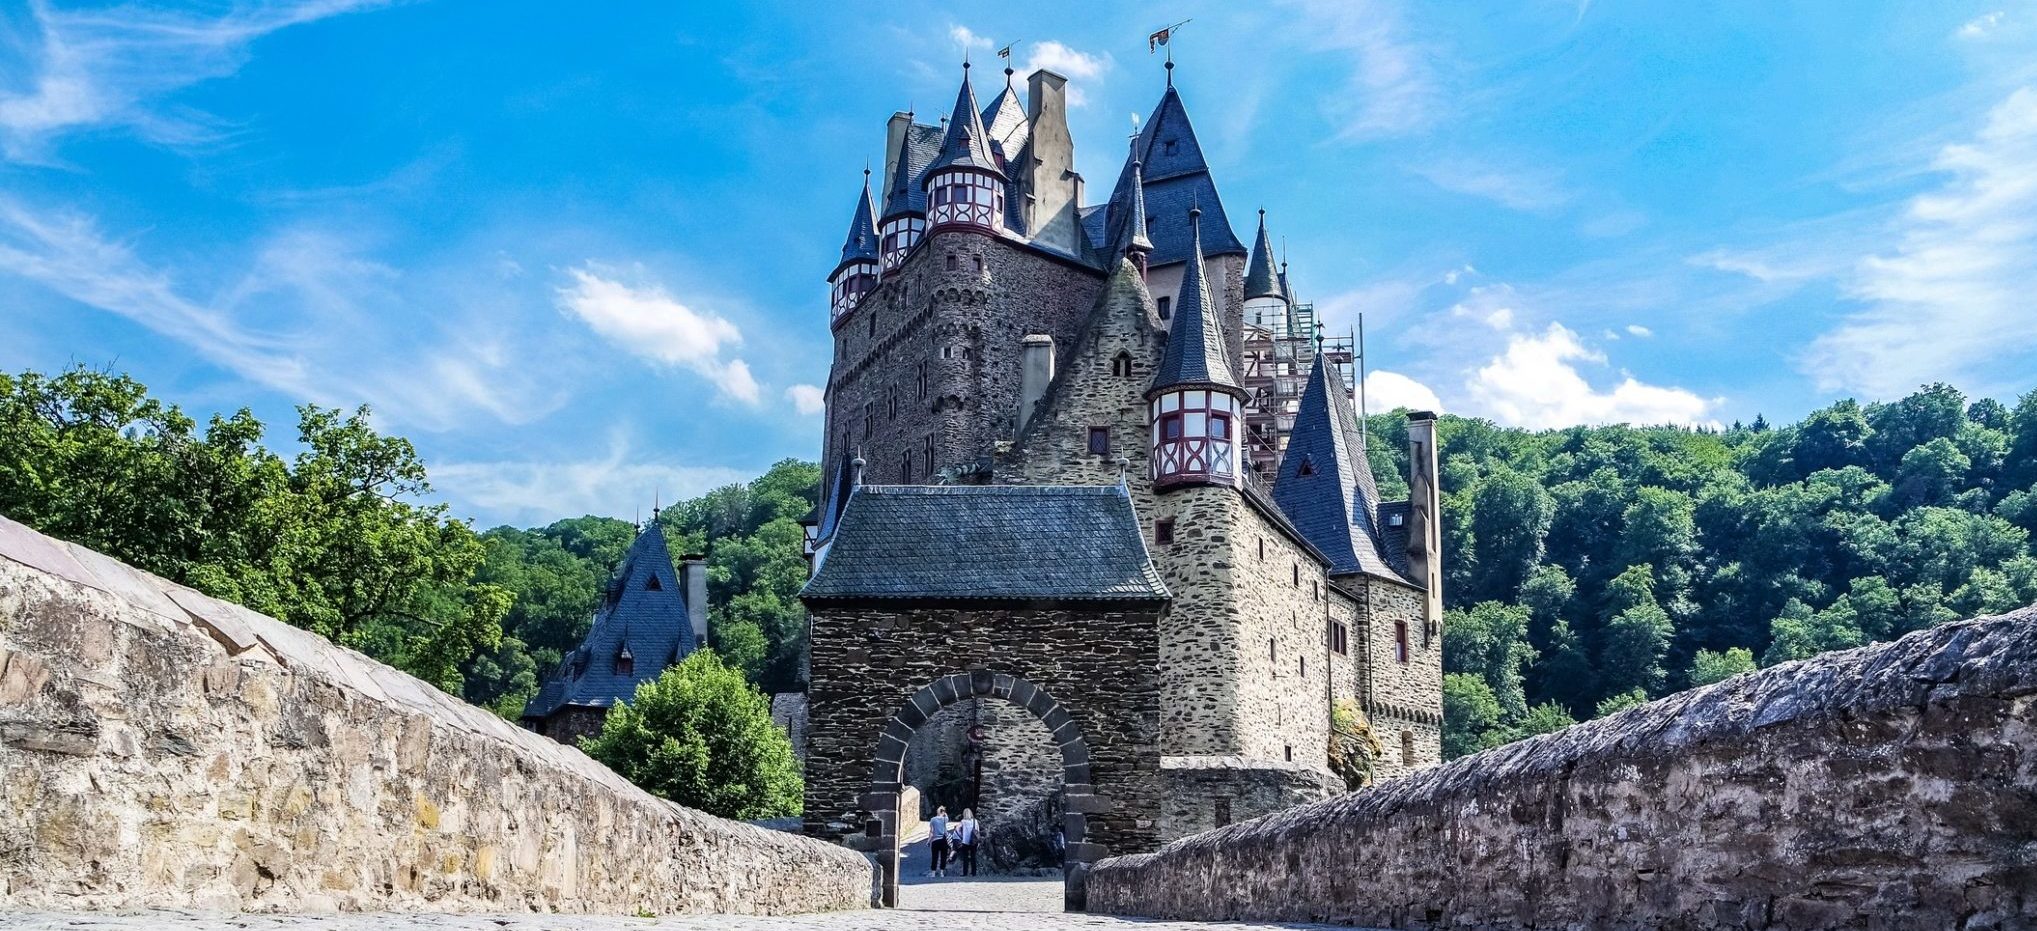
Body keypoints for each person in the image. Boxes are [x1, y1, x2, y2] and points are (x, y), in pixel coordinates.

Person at [955, 808, 981, 877]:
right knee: (973, 857)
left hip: (965, 841)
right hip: (974, 841)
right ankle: (974, 873)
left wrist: (961, 835)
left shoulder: (963, 821)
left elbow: (957, 829)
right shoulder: (975, 821)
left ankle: (965, 873)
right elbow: (978, 831)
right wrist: (978, 842)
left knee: (965, 858)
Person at [927, 805, 950, 877]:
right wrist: (944, 813)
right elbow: (947, 817)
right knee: (943, 857)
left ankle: (933, 873)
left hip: (935, 841)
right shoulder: (944, 819)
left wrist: (928, 841)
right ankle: (941, 873)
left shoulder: (932, 819)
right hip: (943, 841)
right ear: (943, 812)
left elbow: (931, 832)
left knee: (934, 857)